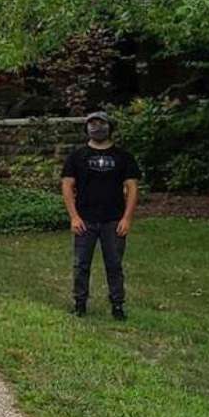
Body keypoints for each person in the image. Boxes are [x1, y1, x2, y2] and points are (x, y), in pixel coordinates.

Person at [61, 111, 141, 320]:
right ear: (86, 128)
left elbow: (132, 188)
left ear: (110, 127)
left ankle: (117, 306)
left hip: (113, 221)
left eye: (101, 123)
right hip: (85, 220)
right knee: (81, 264)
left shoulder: (123, 157)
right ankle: (80, 304)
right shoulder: (76, 156)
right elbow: (67, 186)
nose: (97, 127)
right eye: (92, 123)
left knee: (114, 265)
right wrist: (74, 216)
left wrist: (127, 218)